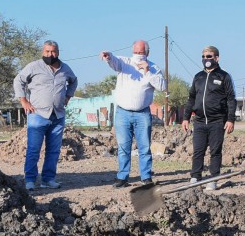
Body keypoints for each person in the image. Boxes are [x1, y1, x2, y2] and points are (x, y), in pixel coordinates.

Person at [100, 40, 167, 188]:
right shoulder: (125, 62)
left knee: (144, 147)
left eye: (141, 53)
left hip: (142, 113)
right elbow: (114, 62)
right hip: (123, 113)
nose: (138, 55)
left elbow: (162, 86)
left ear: (147, 53)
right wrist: (108, 56)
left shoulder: (153, 68)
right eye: (135, 52)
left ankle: (146, 177)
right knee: (124, 147)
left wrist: (147, 71)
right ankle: (122, 177)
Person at [14, 40, 78, 191]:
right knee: (33, 149)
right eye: (47, 51)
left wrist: (68, 96)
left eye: (53, 51)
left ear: (58, 52)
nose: (50, 54)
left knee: (54, 150)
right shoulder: (33, 66)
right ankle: (29, 180)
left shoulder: (65, 69)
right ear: (43, 52)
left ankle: (48, 179)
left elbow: (74, 82)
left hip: (58, 115)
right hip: (37, 114)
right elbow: (18, 81)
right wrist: (23, 100)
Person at [181, 46, 237, 191]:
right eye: (204, 56)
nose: (206, 59)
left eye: (209, 56)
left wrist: (230, 119)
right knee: (198, 150)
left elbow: (231, 99)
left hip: (217, 121)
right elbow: (191, 98)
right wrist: (186, 118)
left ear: (216, 58)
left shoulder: (224, 76)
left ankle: (213, 179)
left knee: (215, 151)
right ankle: (195, 177)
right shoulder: (198, 76)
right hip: (199, 121)